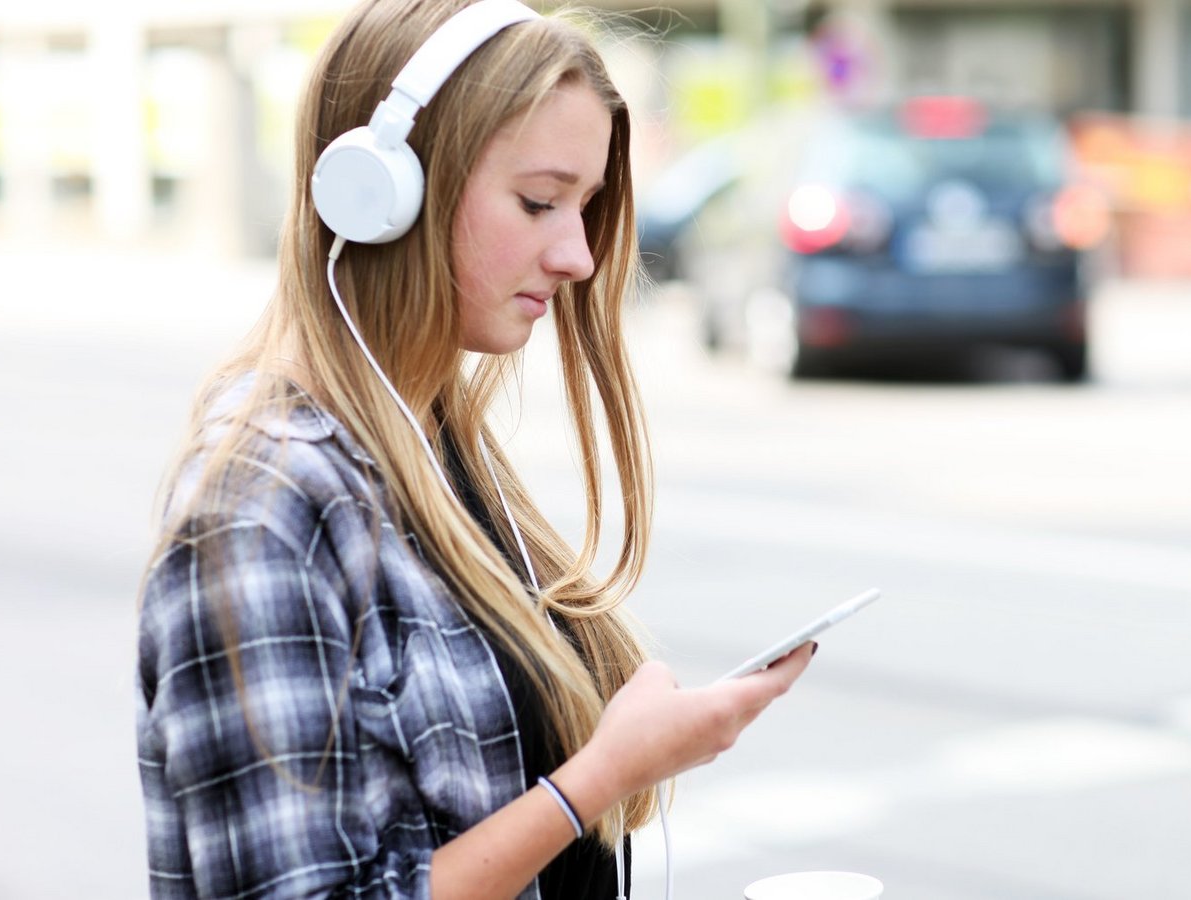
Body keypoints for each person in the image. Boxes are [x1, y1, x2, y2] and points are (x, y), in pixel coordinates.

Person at [133, 1, 814, 898]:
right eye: (539, 201)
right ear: (380, 193)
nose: (575, 253)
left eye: (587, 206)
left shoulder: (430, 435)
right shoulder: (265, 502)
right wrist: (600, 778)